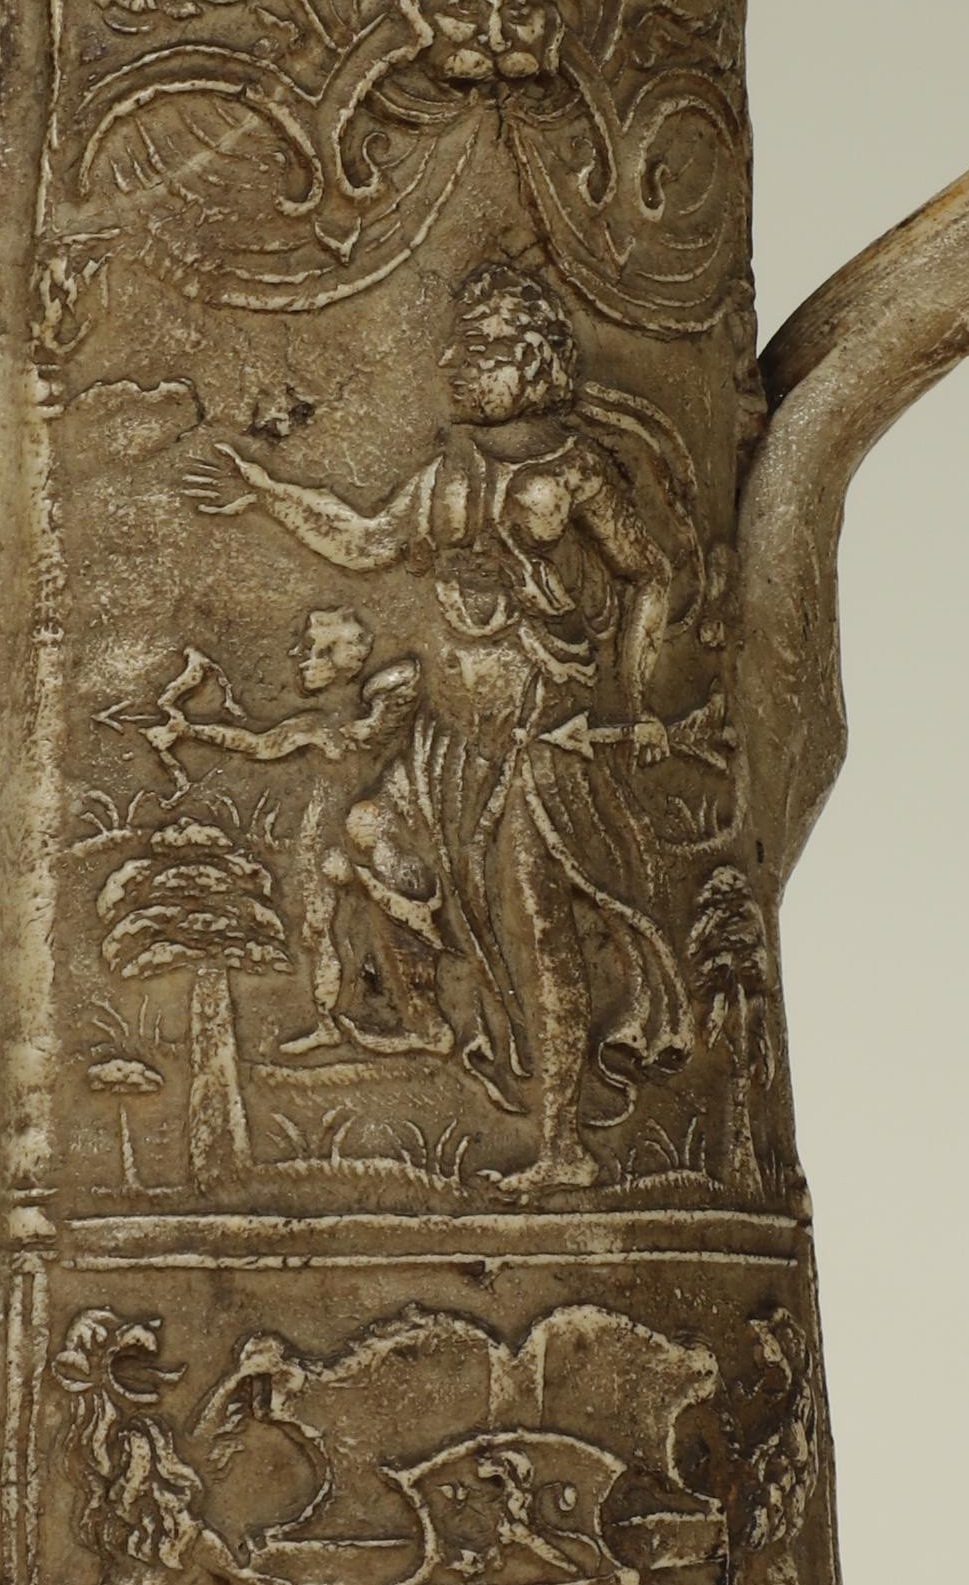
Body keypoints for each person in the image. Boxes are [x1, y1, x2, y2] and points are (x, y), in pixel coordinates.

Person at [183, 264, 694, 1188]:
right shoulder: (447, 475)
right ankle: (422, 1025)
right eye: (459, 347)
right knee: (400, 861)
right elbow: (365, 540)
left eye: (484, 349)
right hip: (451, 745)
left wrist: (638, 702)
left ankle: (564, 1151)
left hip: (541, 739)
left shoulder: (573, 472)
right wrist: (265, 492)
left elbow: (648, 572)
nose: (457, 364)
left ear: (535, 362)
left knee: (536, 925)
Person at [148, 609, 448, 1062]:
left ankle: (406, 1016)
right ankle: (330, 1020)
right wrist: (189, 730)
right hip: (317, 840)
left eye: (312, 652)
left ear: (339, 661)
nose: (300, 660)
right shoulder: (314, 726)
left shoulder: (370, 730)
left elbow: (398, 700)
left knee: (368, 931)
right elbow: (258, 744)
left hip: (359, 845)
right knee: (317, 930)